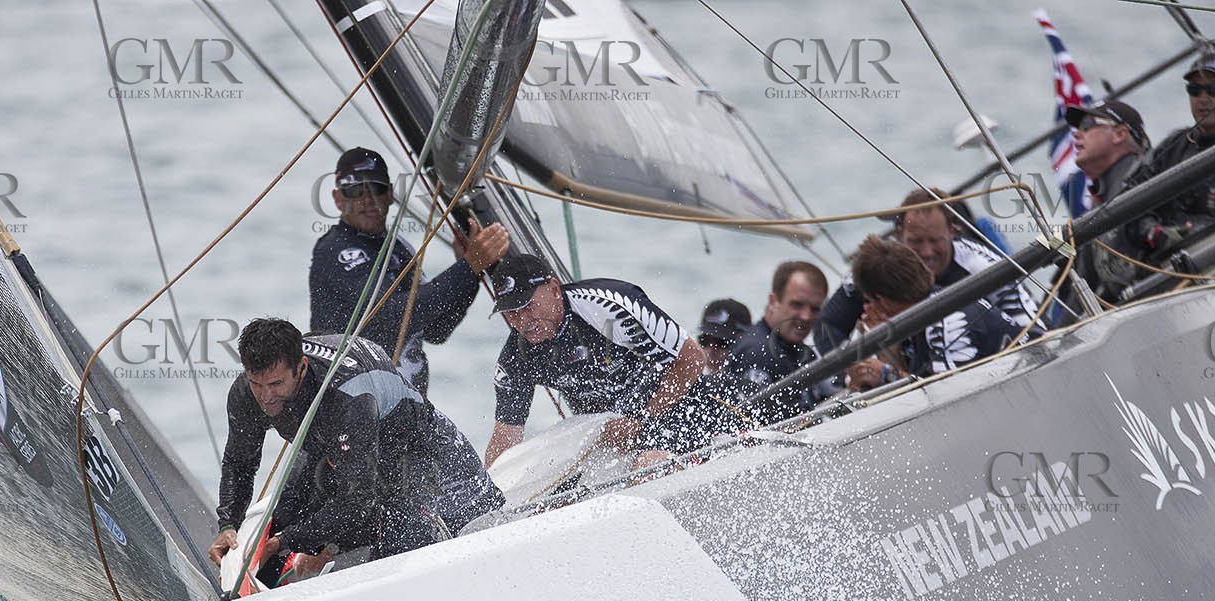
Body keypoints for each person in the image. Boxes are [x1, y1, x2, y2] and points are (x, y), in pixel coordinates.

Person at [209, 318, 502, 581]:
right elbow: (240, 462)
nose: (266, 396)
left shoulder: (347, 398)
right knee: (280, 522)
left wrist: (284, 542)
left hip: (412, 444)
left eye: (276, 384)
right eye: (257, 384)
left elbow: (357, 502)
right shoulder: (246, 393)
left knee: (399, 539)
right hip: (333, 444)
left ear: (302, 368)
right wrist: (228, 524)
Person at [309, 147, 509, 396]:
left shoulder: (400, 249)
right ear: (338, 199)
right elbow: (392, 314)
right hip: (352, 402)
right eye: (354, 190)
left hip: (406, 407)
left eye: (376, 188)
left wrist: (471, 274)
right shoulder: (335, 251)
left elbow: (437, 329)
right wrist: (469, 266)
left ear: (390, 195)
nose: (367, 199)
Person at [483, 253, 711, 467]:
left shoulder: (608, 309)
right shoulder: (516, 358)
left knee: (648, 464)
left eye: (528, 307)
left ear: (554, 289)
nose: (523, 321)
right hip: (615, 436)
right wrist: (489, 488)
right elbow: (506, 436)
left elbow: (692, 359)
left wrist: (642, 420)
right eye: (512, 313)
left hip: (679, 410)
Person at [814, 188, 1042, 353]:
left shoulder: (983, 267)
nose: (925, 252)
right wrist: (850, 375)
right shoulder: (877, 269)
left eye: (935, 240)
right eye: (915, 241)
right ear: (899, 234)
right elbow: (828, 326)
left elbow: (1037, 332)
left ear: (953, 231)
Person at [841, 236, 1018, 390]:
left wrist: (888, 376)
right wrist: (888, 343)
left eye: (869, 301)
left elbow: (952, 398)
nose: (868, 309)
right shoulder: (935, 304)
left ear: (882, 300)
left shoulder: (945, 324)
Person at [1122, 53, 1215, 257]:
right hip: (1165, 265)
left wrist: (1199, 233)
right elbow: (1128, 200)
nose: (1203, 99)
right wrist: (1153, 232)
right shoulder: (1174, 145)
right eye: (1194, 90)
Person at [718, 262, 830, 426]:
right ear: (773, 301)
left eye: (814, 309)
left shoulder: (801, 351)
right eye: (797, 305)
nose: (806, 316)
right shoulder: (758, 354)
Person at [1062, 99, 1149, 305]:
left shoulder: (1146, 178)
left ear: (1120, 134)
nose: (1076, 134)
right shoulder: (1098, 204)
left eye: (1087, 126)